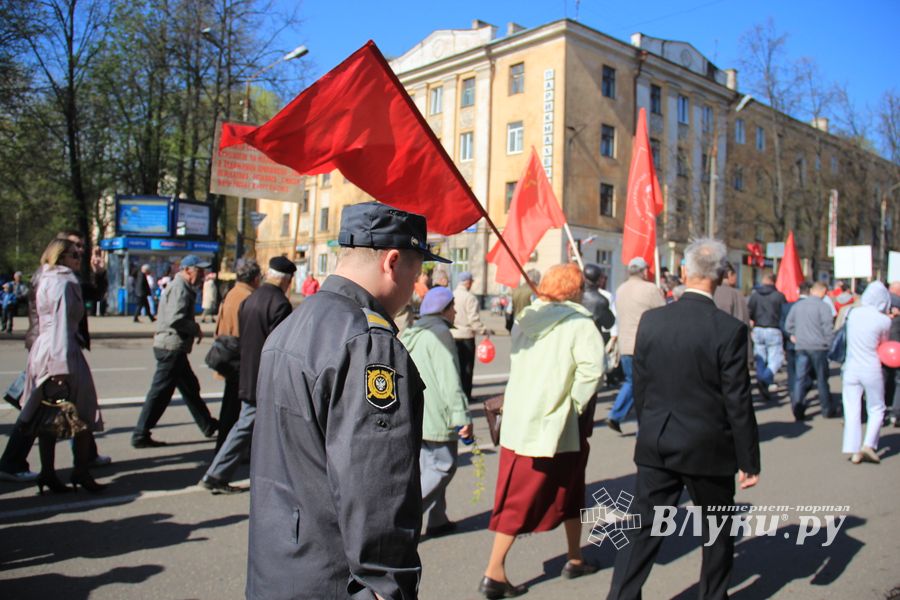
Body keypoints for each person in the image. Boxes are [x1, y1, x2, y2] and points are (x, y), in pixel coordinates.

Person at [246, 201, 449, 600]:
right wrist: (388, 587)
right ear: (393, 261)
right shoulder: (368, 344)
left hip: (277, 565)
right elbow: (378, 488)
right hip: (332, 578)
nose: (417, 284)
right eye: (418, 268)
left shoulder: (292, 325)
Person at [606, 238, 760, 600]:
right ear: (722, 276)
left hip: (658, 440)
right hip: (709, 446)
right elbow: (737, 399)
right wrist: (748, 459)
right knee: (717, 531)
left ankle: (621, 596)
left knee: (644, 528)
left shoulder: (653, 321)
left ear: (684, 272)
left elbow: (641, 386)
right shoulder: (728, 329)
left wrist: (649, 430)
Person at [480, 263, 605, 598]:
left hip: (521, 417)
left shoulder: (526, 317)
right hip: (557, 422)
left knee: (567, 489)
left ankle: (575, 557)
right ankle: (493, 572)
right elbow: (594, 369)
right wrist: (574, 404)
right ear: (575, 290)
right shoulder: (579, 323)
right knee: (524, 498)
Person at [18, 238, 107, 493]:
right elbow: (59, 323)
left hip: (46, 349)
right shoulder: (62, 281)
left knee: (49, 413)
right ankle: (80, 471)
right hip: (61, 350)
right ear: (59, 257)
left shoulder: (45, 277)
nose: (78, 259)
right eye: (73, 255)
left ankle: (49, 473)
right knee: (80, 412)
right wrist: (60, 367)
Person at [200, 257, 295, 494]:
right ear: (287, 280)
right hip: (266, 377)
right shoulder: (279, 304)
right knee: (246, 426)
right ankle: (215, 475)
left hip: (248, 372)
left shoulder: (251, 299)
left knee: (256, 426)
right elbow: (279, 348)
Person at [400, 286, 472, 536]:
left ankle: (438, 519)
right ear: (444, 310)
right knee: (444, 465)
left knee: (426, 466)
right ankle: (403, 518)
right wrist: (461, 416)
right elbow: (449, 380)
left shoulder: (416, 331)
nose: (455, 312)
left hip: (419, 411)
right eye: (452, 308)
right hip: (438, 413)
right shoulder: (440, 334)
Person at [132, 255, 218, 448]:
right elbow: (175, 319)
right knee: (160, 393)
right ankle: (140, 433)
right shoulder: (180, 287)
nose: (203, 275)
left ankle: (208, 424)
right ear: (187, 270)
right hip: (171, 347)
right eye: (199, 270)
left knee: (190, 388)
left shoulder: (183, 286)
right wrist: (195, 328)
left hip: (173, 346)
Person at [607, 257, 665, 433]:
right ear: (644, 271)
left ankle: (616, 414)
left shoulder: (621, 289)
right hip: (646, 344)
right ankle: (642, 427)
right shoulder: (650, 289)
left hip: (626, 344)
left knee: (632, 382)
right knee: (645, 387)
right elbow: (663, 314)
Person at [211, 260, 260, 450]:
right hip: (239, 358)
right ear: (255, 278)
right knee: (238, 409)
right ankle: (228, 448)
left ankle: (224, 445)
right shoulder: (247, 297)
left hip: (228, 355)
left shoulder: (232, 293)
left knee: (231, 405)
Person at [842, 281, 891, 465]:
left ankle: (853, 449)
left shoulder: (853, 313)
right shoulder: (884, 320)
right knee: (876, 407)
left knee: (852, 408)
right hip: (871, 366)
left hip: (851, 367)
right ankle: (868, 445)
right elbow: (884, 344)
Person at [785, 281, 837, 420]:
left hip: (801, 346)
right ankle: (826, 409)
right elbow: (828, 329)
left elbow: (788, 325)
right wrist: (829, 345)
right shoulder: (823, 307)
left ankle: (797, 408)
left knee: (800, 378)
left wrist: (793, 336)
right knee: (821, 379)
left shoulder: (798, 306)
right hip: (818, 347)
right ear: (820, 291)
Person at [451, 271, 490, 401]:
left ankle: (456, 395)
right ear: (468, 282)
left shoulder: (452, 294)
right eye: (471, 282)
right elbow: (474, 320)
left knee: (455, 367)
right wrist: (483, 331)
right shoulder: (470, 298)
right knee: (467, 368)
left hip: (453, 334)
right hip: (466, 335)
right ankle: (466, 396)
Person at [748, 273, 787, 401]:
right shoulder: (779, 296)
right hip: (773, 328)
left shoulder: (755, 296)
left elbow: (750, 312)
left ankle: (762, 379)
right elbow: (784, 314)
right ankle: (765, 378)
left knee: (760, 358)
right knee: (776, 358)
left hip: (758, 328)